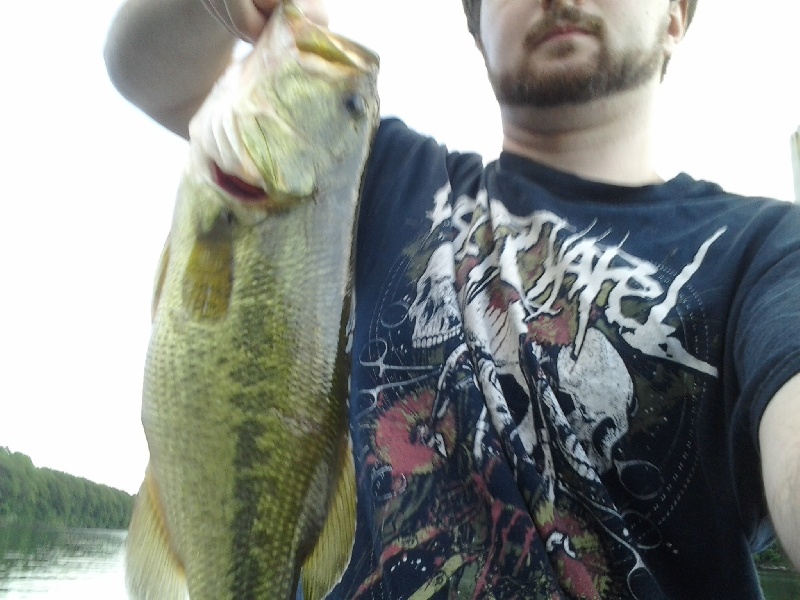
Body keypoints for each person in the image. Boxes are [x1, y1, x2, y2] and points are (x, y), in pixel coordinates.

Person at [105, 0, 800, 597]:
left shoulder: (767, 249)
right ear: (478, 28)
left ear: (676, 14)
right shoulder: (374, 180)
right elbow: (143, 68)